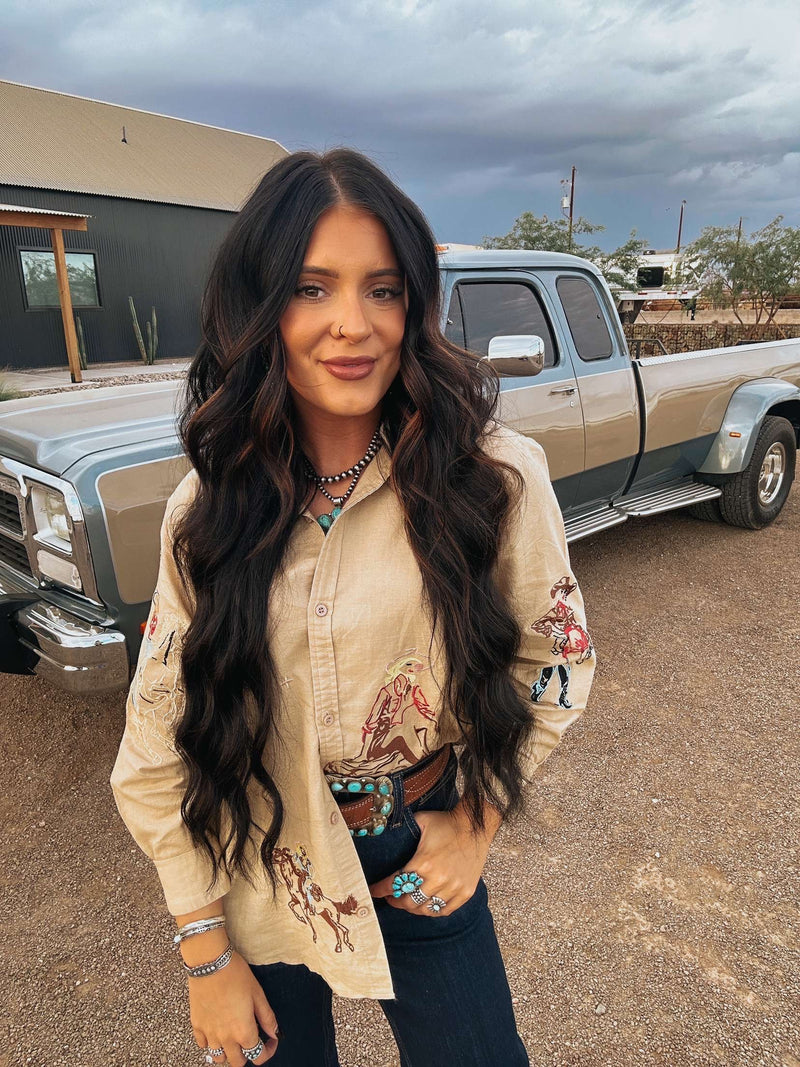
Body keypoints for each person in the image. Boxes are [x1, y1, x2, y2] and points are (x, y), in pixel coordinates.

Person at [109, 147, 597, 1067]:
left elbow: (558, 659)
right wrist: (205, 953)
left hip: (418, 839)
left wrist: (478, 823)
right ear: (260, 307)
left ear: (415, 306)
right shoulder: (209, 507)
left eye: (382, 289)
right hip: (262, 856)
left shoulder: (491, 477)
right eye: (311, 287)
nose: (353, 324)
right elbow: (156, 744)